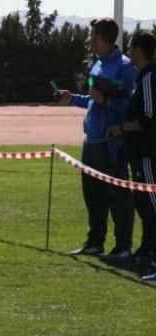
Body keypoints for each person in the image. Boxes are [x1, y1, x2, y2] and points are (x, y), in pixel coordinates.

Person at [56, 17, 137, 260]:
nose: (89, 41)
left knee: (118, 196)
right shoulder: (97, 65)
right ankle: (95, 242)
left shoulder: (124, 67)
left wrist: (106, 101)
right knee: (93, 196)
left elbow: (131, 108)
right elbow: (93, 99)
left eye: (92, 37)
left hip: (111, 145)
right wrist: (72, 98)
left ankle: (123, 247)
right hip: (90, 142)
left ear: (103, 38)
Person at [106, 31, 156, 273]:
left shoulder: (148, 78)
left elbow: (148, 119)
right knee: (143, 202)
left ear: (138, 50)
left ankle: (152, 252)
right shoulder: (141, 78)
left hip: (147, 152)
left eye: (131, 47)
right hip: (138, 151)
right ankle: (146, 248)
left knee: (151, 201)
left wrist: (122, 128)